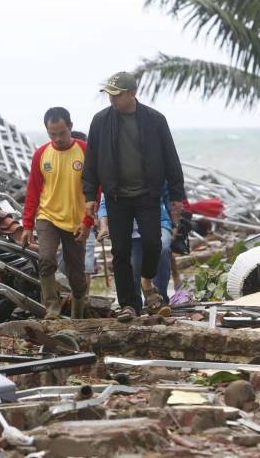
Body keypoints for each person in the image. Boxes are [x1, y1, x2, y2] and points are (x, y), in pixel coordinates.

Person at [82, 71, 185, 320]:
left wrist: (176, 195)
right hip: (116, 197)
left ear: (132, 93)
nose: (112, 100)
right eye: (109, 95)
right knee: (121, 251)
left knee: (153, 243)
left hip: (147, 195)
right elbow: (92, 160)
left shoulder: (155, 120)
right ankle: (129, 305)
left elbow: (171, 158)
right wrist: (89, 196)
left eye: (116, 95)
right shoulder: (100, 121)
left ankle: (146, 280)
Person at [21, 107, 93, 320]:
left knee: (77, 275)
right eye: (53, 134)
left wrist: (88, 221)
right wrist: (27, 225)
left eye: (62, 132)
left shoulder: (85, 151)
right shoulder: (41, 154)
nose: (58, 138)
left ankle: (78, 314)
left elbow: (94, 190)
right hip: (47, 216)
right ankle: (52, 310)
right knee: (45, 258)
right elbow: (33, 191)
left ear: (70, 126)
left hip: (76, 221)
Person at [98, 183, 173, 314]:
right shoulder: (112, 175)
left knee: (163, 248)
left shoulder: (151, 169)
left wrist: (175, 220)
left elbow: (168, 193)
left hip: (157, 222)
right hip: (129, 229)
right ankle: (134, 307)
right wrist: (104, 226)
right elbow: (105, 203)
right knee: (134, 267)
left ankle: (161, 298)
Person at [57, 131, 98, 295]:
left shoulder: (89, 169)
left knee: (85, 264)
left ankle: (83, 300)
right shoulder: (64, 168)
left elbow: (97, 194)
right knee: (66, 263)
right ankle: (71, 298)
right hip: (62, 221)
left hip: (85, 222)